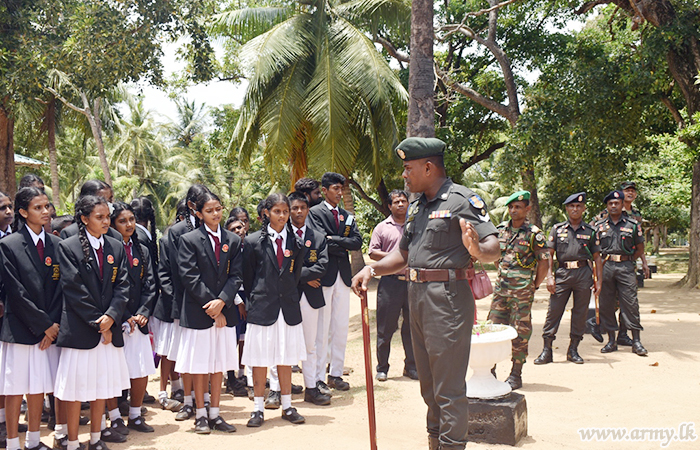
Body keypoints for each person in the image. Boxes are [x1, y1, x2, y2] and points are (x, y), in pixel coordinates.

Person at [352, 137, 500, 450]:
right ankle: (436, 442)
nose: (404, 175)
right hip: (416, 296)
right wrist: (372, 269)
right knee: (429, 386)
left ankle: (451, 445)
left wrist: (476, 248)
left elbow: (493, 248)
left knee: (448, 388)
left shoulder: (461, 200)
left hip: (446, 299)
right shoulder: (418, 205)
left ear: (428, 167)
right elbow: (403, 255)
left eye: (408, 168)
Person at [54, 195, 131, 450]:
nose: (106, 221)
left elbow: (123, 286)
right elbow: (73, 289)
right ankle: (73, 442)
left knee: (102, 386)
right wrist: (99, 323)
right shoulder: (68, 247)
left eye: (107, 216)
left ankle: (96, 438)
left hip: (108, 329)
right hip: (80, 331)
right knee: (76, 392)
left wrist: (111, 316)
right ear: (84, 219)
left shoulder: (116, 246)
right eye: (99, 217)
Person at [0, 187, 62, 450]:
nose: (46, 211)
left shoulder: (56, 244)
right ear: (23, 213)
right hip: (20, 328)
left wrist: (53, 324)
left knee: (38, 386)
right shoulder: (8, 245)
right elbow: (15, 292)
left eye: (47, 206)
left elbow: (62, 289)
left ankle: (34, 441)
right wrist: (44, 325)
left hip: (49, 330)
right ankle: (13, 442)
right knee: (16, 388)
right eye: (38, 207)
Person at [176, 191, 242, 434]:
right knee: (200, 365)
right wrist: (213, 307)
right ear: (199, 213)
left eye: (218, 209)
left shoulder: (232, 241)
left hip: (224, 312)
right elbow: (189, 276)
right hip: (198, 312)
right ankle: (200, 414)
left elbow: (236, 275)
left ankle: (215, 413)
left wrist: (223, 301)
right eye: (209, 210)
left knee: (219, 364)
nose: (216, 214)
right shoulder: (189, 239)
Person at [241, 193, 308, 428]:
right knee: (259, 359)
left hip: (288, 308)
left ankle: (288, 405)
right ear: (266, 213)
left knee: (286, 357)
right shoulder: (252, 242)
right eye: (277, 211)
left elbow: (296, 275)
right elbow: (248, 277)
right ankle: (258, 408)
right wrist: (258, 297)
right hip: (262, 308)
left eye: (285, 211)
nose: (282, 216)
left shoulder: (296, 243)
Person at [159, 185, 212, 422]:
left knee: (209, 354)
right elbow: (168, 272)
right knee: (189, 356)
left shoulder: (214, 229)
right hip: (185, 304)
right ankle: (189, 401)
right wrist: (177, 302)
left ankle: (207, 397)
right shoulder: (176, 232)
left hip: (211, 304)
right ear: (192, 206)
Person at [488, 190, 549, 390]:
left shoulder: (534, 234)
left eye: (518, 207)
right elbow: (496, 257)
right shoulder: (500, 230)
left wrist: (534, 285)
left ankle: (516, 374)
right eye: (511, 207)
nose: (514, 210)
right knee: (493, 329)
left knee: (521, 333)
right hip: (501, 292)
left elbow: (544, 263)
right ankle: (489, 371)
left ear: (527, 209)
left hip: (522, 293)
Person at [308, 172, 362, 392]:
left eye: (342, 189)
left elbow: (357, 241)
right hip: (325, 275)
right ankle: (319, 376)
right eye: (335, 189)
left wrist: (335, 239)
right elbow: (320, 241)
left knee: (340, 327)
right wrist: (341, 242)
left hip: (343, 275)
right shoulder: (315, 212)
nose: (340, 193)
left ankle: (336, 373)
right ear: (324, 190)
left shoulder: (346, 215)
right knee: (322, 329)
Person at [534, 192, 602, 365]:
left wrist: (599, 280)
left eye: (579, 206)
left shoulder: (591, 231)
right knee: (554, 312)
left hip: (583, 275)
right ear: (566, 208)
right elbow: (549, 254)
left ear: (584, 209)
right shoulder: (557, 229)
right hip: (562, 274)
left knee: (580, 313)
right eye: (571, 206)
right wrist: (549, 276)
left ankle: (573, 350)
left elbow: (597, 257)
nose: (575, 209)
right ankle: (547, 350)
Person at [107, 203, 157, 434]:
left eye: (131, 219)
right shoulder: (108, 250)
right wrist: (125, 316)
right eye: (122, 221)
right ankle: (114, 416)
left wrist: (143, 313)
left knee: (140, 369)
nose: (129, 225)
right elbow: (110, 289)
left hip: (139, 322)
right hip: (117, 321)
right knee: (112, 371)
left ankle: (135, 416)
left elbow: (150, 286)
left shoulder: (142, 250)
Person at [588, 181, 650, 346]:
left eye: (632, 191)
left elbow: (640, 246)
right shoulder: (601, 221)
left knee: (630, 302)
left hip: (626, 265)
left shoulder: (634, 220)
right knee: (608, 302)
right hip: (607, 266)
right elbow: (592, 240)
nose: (614, 205)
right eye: (611, 203)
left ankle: (634, 339)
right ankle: (611, 339)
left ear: (623, 203)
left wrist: (632, 260)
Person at [367, 189, 417, 382]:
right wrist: (396, 258)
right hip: (390, 283)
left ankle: (411, 367)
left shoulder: (415, 226)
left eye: (403, 201)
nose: (400, 204)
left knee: (412, 328)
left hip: (412, 282)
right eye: (396, 202)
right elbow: (372, 252)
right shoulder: (382, 228)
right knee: (385, 328)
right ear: (389, 206)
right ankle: (382, 368)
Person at [288, 191, 330, 406]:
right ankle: (278, 391)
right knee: (284, 344)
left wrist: (297, 275)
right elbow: (280, 268)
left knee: (310, 345)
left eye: (302, 208)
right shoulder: (282, 236)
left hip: (311, 298)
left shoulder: (318, 237)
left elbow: (322, 266)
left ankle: (311, 388)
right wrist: (305, 277)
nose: (298, 211)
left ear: (307, 210)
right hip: (287, 296)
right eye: (294, 208)